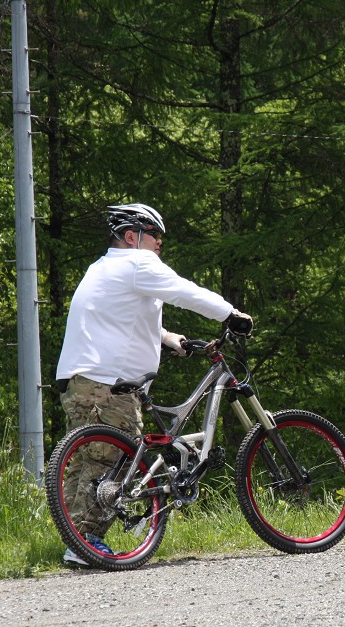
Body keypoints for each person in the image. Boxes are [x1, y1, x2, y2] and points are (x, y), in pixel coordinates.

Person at [55, 202, 254, 566]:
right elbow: (184, 291)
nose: (160, 243)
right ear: (133, 236)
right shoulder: (137, 263)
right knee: (107, 461)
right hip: (109, 384)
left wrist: (167, 338)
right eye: (155, 235)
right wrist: (231, 314)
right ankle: (87, 542)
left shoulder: (101, 267)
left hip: (82, 380)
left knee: (83, 461)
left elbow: (119, 316)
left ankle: (76, 541)